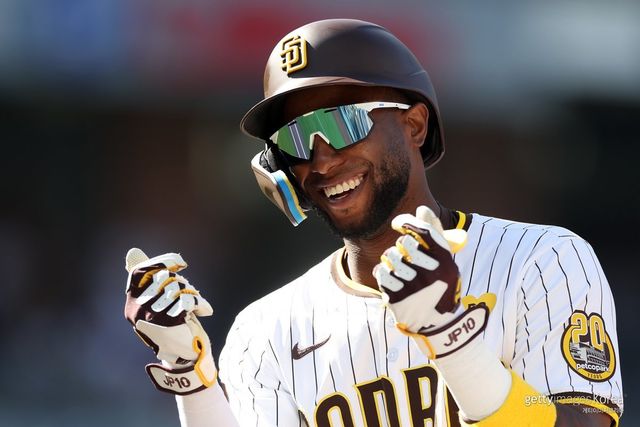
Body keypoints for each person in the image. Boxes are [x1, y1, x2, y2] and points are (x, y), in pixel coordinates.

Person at [123, 19, 623, 426]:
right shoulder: (265, 329)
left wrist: (451, 339)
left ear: (414, 124)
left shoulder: (542, 260)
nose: (321, 161)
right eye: (295, 138)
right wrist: (189, 378)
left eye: (341, 122)